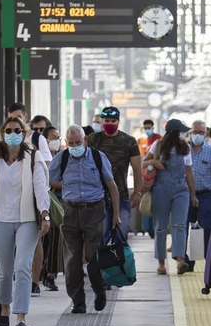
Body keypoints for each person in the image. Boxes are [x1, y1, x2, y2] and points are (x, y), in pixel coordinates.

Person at [0, 116, 50, 326]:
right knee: (4, 270)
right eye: (8, 130)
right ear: (2, 132)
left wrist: (44, 214)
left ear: (24, 133)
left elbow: (40, 186)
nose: (12, 133)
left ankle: (21, 316)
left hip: (27, 218)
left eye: (17, 130)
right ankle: (4, 308)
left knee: (22, 266)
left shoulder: (33, 156)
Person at [49, 125, 121, 314]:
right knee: (72, 260)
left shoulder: (98, 157)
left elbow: (111, 185)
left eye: (78, 143)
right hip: (70, 211)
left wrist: (116, 214)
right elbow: (48, 180)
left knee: (93, 255)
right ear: (66, 142)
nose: (74, 146)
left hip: (94, 211)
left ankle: (99, 290)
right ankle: (78, 301)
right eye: (71, 143)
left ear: (85, 141)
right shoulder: (62, 158)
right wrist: (67, 185)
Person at [143, 118, 198, 275]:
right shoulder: (158, 145)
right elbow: (142, 163)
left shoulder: (185, 147)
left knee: (180, 225)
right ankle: (161, 262)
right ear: (174, 132)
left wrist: (193, 194)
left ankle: (180, 259)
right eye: (181, 131)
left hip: (181, 190)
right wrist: (155, 161)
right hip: (161, 189)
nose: (184, 134)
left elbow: (188, 172)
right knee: (160, 227)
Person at [88, 105, 142, 237]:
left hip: (122, 195)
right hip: (98, 197)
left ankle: (119, 258)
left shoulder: (129, 141)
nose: (110, 124)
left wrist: (137, 192)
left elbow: (137, 168)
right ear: (102, 122)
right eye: (107, 121)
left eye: (113, 121)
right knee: (101, 235)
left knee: (121, 235)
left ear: (118, 121)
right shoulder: (92, 140)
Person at [27, 114, 57, 294]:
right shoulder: (3, 145)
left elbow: (45, 174)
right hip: (13, 200)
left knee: (36, 239)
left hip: (37, 197)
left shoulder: (38, 142)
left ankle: (35, 280)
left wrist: (44, 210)